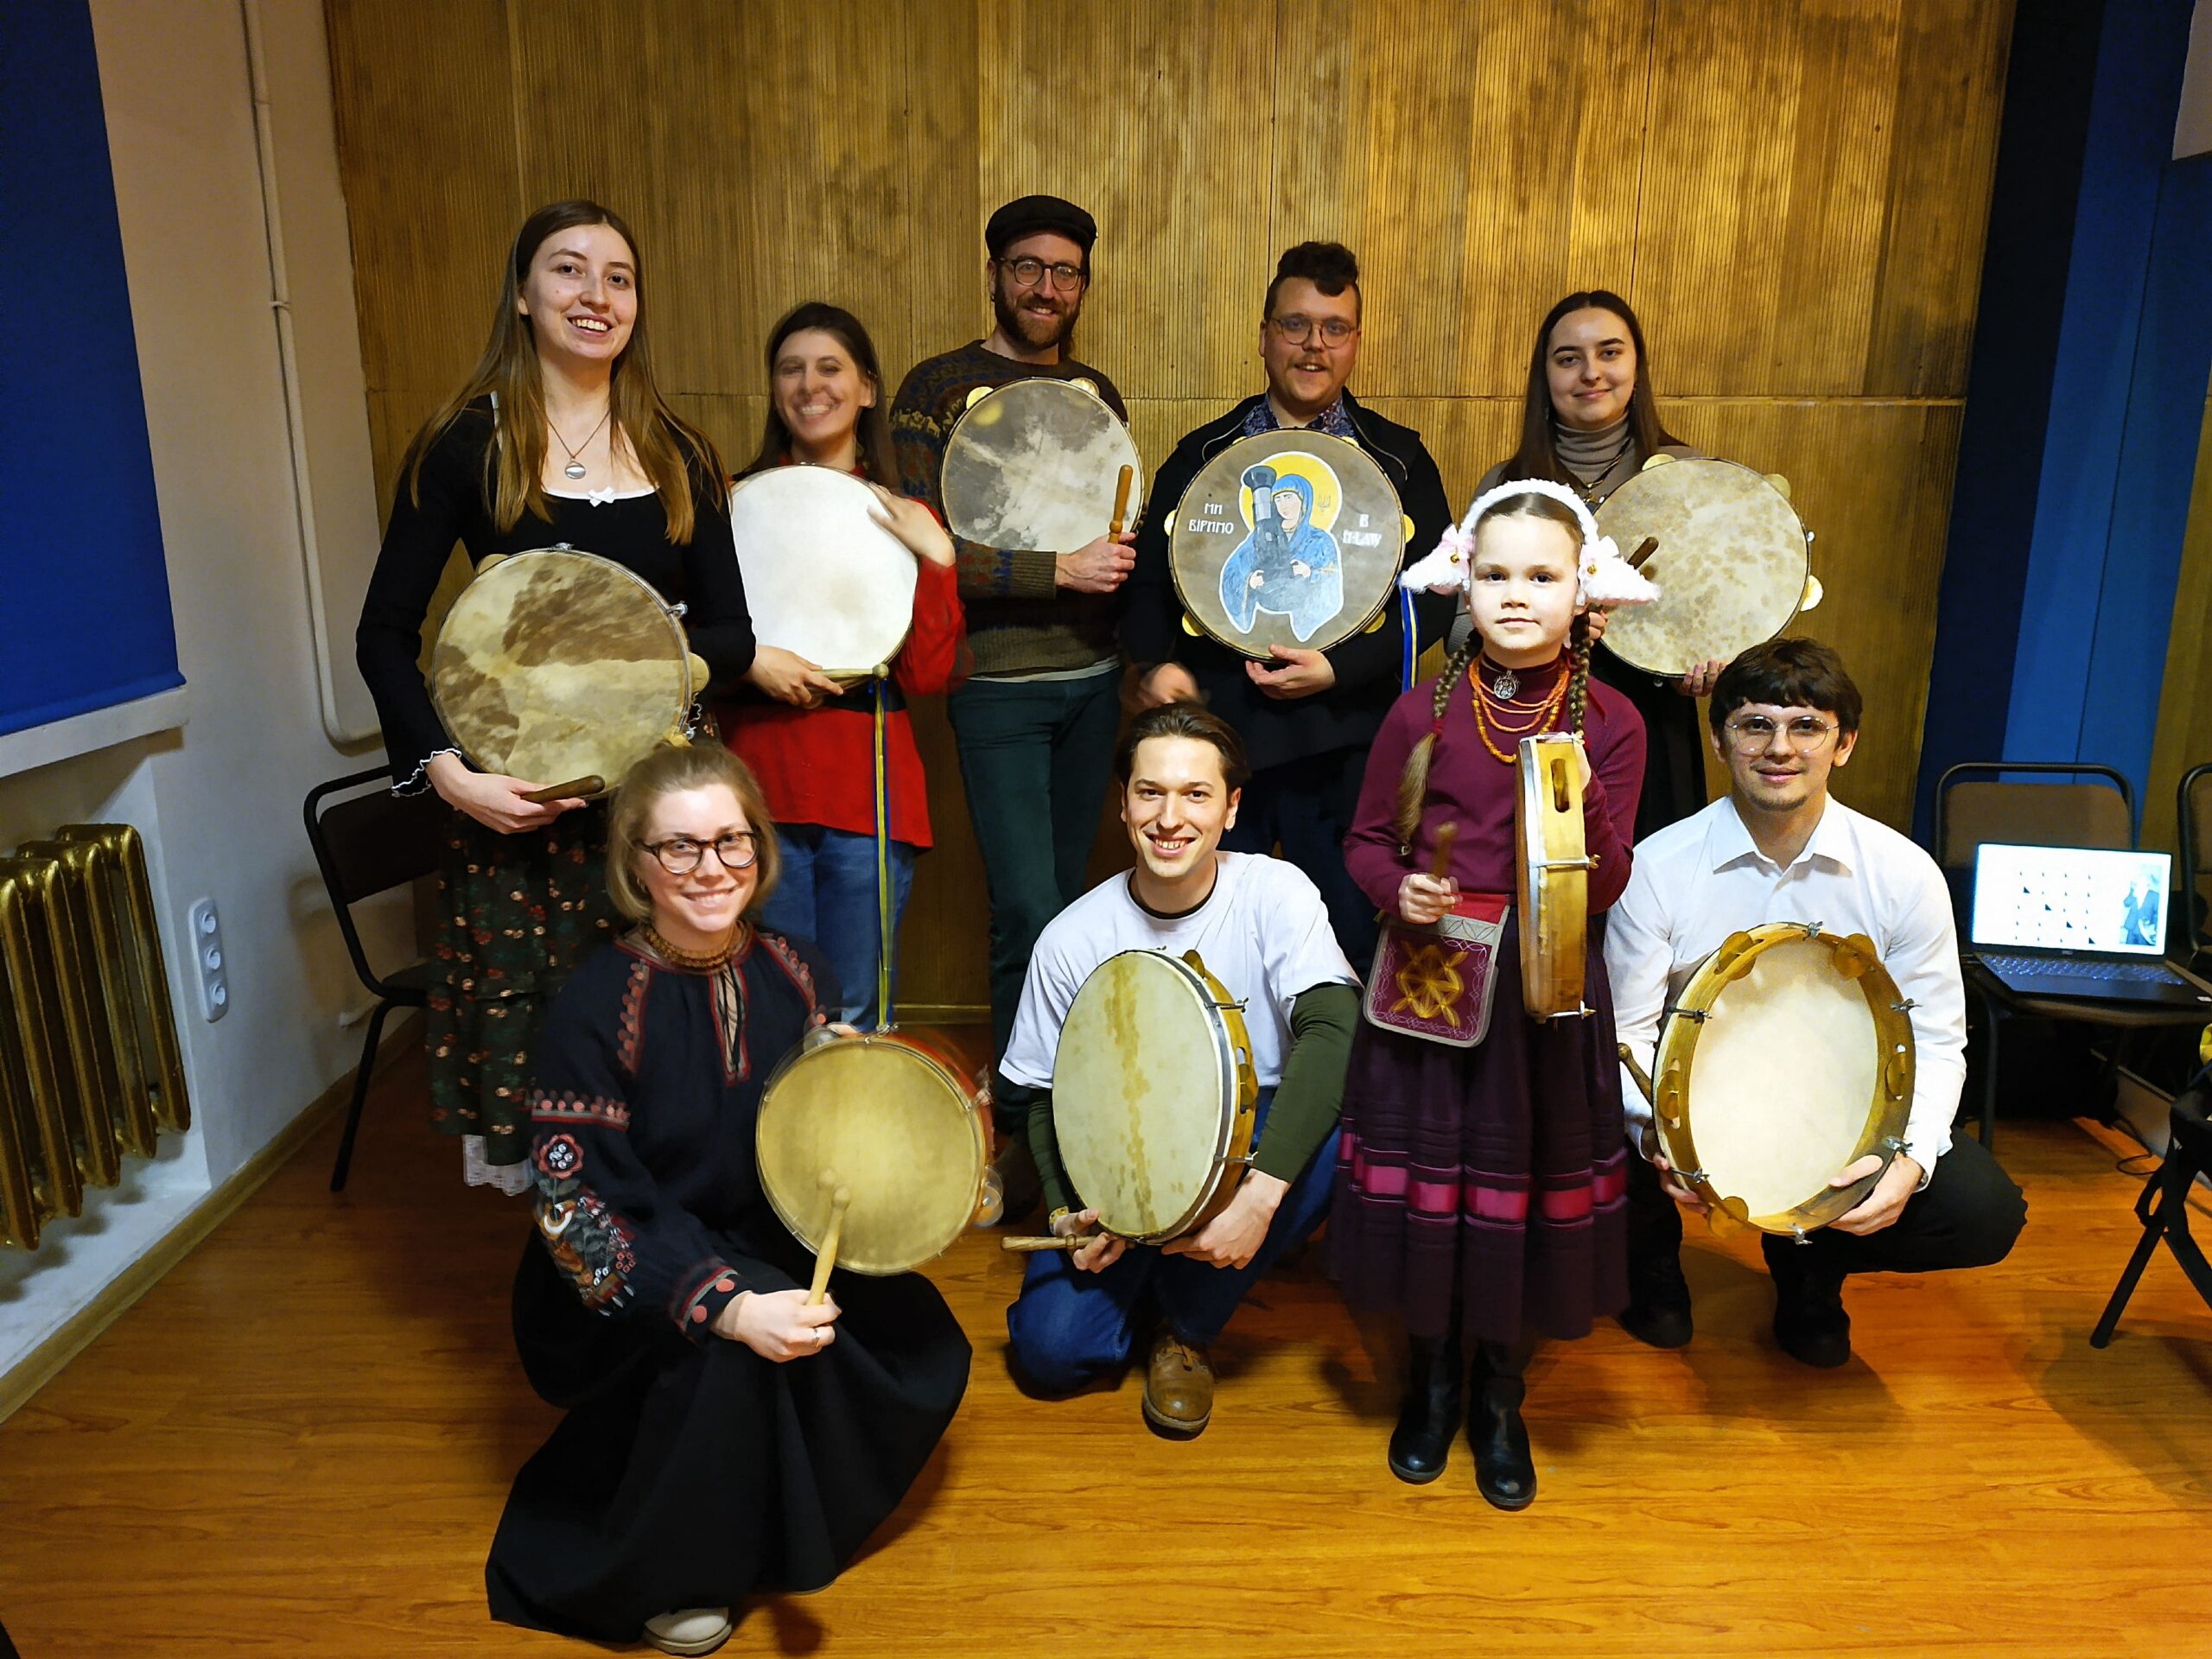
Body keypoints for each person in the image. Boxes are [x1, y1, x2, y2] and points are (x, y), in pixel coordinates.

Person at [486, 741, 969, 1656]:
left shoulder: (799, 967)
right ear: (636, 863)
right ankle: (677, 1573)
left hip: (762, 1231)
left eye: (731, 842)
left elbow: (816, 1132)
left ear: (759, 849)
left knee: (916, 1336)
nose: (710, 868)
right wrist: (729, 1305)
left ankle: (773, 1518)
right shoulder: (593, 1003)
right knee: (728, 1354)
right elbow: (574, 1211)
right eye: (679, 847)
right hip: (626, 1266)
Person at [355, 200, 754, 1193]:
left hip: (660, 806)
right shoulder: (464, 444)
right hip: (518, 809)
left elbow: (733, 637)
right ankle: (573, 1267)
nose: (596, 295)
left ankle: (672, 1259)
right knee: (553, 1063)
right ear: (525, 297)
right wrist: (450, 778)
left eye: (618, 278)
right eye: (569, 270)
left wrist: (638, 664)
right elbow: (382, 636)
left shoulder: (679, 451)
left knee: (670, 1050)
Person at [1335, 480, 1647, 1509]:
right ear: (1462, 583)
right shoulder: (1418, 710)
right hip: (1433, 981)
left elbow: (1609, 884)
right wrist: (1399, 892)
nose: (1516, 595)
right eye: (1496, 574)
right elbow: (1365, 842)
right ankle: (1431, 1382)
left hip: (1544, 994)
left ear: (1581, 592)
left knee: (1518, 1186)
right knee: (1439, 1189)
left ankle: (1499, 1396)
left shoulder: (1613, 722)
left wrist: (1582, 797)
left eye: (1542, 577)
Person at [1603, 639, 2027, 1366]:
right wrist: (1657, 1134)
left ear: (1845, 744)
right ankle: (1652, 1261)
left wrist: (1909, 1160)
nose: (1780, 748)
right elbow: (1625, 1034)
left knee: (1981, 1213)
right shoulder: (1657, 867)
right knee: (1589, 1134)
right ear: (1719, 739)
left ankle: (1810, 1268)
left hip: (1830, 1106)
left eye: (1807, 726)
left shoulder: (1903, 874)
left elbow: (1936, 1038)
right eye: (1755, 725)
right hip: (1688, 1099)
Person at [999, 703, 1359, 1436]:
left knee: (1344, 1127)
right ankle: (1169, 1272)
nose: (1170, 818)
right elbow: (1037, 1093)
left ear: (1231, 808)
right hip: (1127, 1162)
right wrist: (1068, 1209)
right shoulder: (1071, 938)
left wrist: (1259, 1201)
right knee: (1049, 1353)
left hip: (1247, 1151)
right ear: (1123, 805)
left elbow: (1335, 1028)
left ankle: (1186, 1328)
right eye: (1150, 793)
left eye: (1196, 794)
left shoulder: (1275, 892)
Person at [1124, 242, 1454, 975]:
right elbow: (1149, 580)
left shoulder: (1398, 460)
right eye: (1296, 325)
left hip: (1346, 738)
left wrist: (1340, 668)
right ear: (1265, 336)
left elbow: (1436, 596)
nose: (1314, 346)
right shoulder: (1204, 456)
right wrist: (1155, 667)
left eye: (1335, 328)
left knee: (1346, 937)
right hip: (1222, 737)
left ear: (1356, 342)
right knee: (1214, 939)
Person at [889, 194, 1137, 1080]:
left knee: (1065, 910)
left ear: (1083, 287)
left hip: (1096, 682)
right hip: (995, 691)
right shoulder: (933, 390)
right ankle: (1021, 1102)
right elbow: (923, 549)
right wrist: (1055, 570)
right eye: (1027, 267)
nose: (1045, 287)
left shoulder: (1095, 395)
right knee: (1025, 909)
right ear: (994, 275)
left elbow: (1118, 539)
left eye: (1065, 272)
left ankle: (1067, 1097)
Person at [721, 302, 965, 1027]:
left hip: (868, 786)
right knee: (775, 1008)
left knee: (855, 1011)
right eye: (790, 369)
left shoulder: (905, 515)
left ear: (866, 388)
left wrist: (938, 557)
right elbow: (689, 648)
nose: (810, 386)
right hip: (759, 777)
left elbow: (926, 677)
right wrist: (748, 662)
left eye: (830, 368)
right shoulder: (731, 506)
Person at [1455, 290, 1715, 843]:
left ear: (1637, 367)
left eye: (1610, 353)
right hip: (1524, 722)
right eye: (1569, 358)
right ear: (1545, 376)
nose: (1591, 372)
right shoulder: (1506, 486)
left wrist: (1714, 664)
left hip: (1654, 725)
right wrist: (1542, 627)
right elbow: (1458, 630)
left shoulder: (1689, 476)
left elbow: (1724, 611)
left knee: (1643, 881)